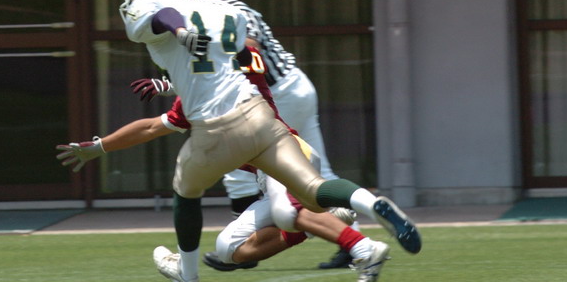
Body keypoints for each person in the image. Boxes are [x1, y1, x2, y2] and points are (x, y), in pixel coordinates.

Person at [106, 0, 420, 282]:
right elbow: (224, 64)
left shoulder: (179, 7)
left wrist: (181, 42)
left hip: (266, 97)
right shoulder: (226, 11)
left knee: (270, 201)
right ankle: (357, 209)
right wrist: (171, 84)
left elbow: (232, 57)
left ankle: (354, 242)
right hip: (260, 101)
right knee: (263, 214)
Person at [56, 86, 391, 281]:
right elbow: (150, 127)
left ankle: (362, 247)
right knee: (228, 250)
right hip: (266, 173)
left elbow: (237, 58)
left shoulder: (230, 81)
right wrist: (99, 147)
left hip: (286, 156)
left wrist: (172, 82)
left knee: (287, 210)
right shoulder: (193, 99)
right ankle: (323, 220)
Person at [181, 0, 351, 269]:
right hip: (287, 89)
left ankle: (245, 250)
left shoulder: (232, 11)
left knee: (238, 167)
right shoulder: (197, 17)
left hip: (277, 93)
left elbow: (249, 51)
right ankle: (351, 241)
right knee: (317, 173)